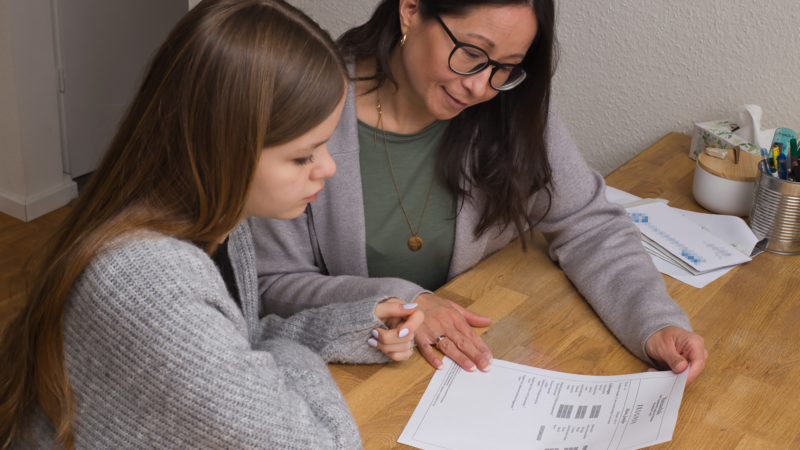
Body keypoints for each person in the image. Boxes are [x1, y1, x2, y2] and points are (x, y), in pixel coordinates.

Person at [0, 1, 423, 449]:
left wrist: (358, 324)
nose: (328, 168)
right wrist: (288, 355)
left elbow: (242, 341)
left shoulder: (221, 225)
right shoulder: (151, 285)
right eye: (304, 155)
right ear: (223, 145)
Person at [249, 0, 707, 383]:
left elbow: (587, 225)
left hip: (465, 369)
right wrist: (401, 298)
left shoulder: (510, 108)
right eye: (471, 52)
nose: (480, 86)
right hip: (358, 376)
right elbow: (271, 285)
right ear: (410, 11)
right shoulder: (307, 108)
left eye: (505, 67)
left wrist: (655, 323)